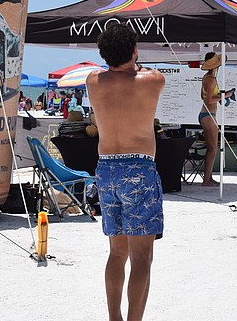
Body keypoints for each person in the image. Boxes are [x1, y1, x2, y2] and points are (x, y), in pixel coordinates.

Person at [86, 24, 166, 321]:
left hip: (106, 168)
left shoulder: (93, 81)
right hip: (139, 167)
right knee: (142, 258)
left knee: (117, 253)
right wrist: (134, 59)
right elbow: (145, 71)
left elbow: (111, 69)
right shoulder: (152, 80)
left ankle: (114, 318)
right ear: (134, 51)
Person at [198, 52, 235, 187]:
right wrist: (225, 96)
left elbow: (205, 96)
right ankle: (206, 180)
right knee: (213, 149)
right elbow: (209, 99)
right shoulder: (211, 79)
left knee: (212, 148)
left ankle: (208, 178)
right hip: (208, 115)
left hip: (207, 114)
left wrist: (222, 95)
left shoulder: (207, 77)